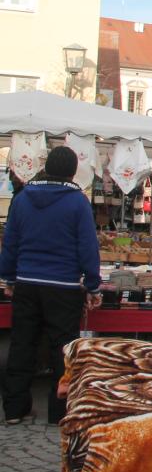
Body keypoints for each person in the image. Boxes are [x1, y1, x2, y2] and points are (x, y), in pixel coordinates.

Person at [1, 147, 101, 425]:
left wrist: (8, 278)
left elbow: (10, 243)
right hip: (63, 285)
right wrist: (93, 286)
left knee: (23, 344)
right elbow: (87, 247)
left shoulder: (22, 199)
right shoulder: (77, 202)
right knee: (62, 349)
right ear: (71, 172)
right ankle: (59, 413)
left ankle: (14, 409)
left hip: (27, 282)